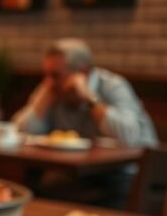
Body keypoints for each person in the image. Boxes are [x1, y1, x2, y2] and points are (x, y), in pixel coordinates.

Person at [12, 38, 157, 147]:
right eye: (46, 75)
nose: (48, 82)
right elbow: (19, 131)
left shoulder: (113, 85)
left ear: (82, 72)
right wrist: (43, 99)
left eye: (55, 75)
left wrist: (89, 98)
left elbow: (128, 136)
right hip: (83, 172)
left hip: (131, 172)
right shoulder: (51, 88)